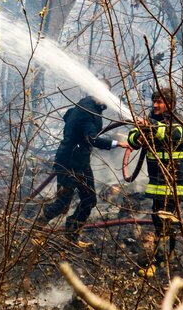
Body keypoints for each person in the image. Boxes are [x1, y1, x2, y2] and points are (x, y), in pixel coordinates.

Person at [127, 86, 183, 276]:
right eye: (154, 101)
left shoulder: (178, 121)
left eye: (160, 102)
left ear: (170, 105)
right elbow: (132, 138)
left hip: (176, 180)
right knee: (160, 218)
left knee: (162, 219)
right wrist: (140, 134)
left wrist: (151, 129)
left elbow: (172, 134)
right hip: (158, 179)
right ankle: (170, 252)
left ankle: (159, 261)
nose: (155, 105)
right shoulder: (150, 119)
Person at [39, 95, 122, 244]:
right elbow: (92, 139)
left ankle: (71, 236)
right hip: (69, 162)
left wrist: (76, 135)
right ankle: (36, 229)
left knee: (89, 200)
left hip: (80, 162)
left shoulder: (82, 106)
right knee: (63, 202)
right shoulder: (88, 112)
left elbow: (68, 116)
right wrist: (116, 143)